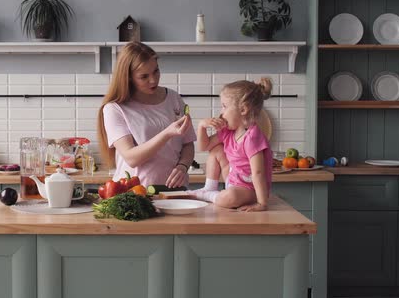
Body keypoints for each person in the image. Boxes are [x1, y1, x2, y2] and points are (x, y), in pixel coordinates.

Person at [97, 42, 196, 188]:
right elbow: (131, 158)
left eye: (156, 71)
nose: (153, 80)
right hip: (134, 194)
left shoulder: (173, 98)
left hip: (176, 191)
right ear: (128, 77)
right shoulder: (115, 108)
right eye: (144, 76)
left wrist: (183, 166)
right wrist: (167, 133)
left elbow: (188, 143)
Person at [189, 78, 273, 212]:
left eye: (224, 106)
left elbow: (258, 172)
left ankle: (209, 195)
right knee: (216, 150)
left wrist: (262, 203)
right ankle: (209, 187)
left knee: (230, 197)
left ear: (243, 109)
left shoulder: (252, 138)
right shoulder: (228, 132)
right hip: (232, 181)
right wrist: (201, 127)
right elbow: (204, 147)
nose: (221, 112)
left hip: (249, 189)